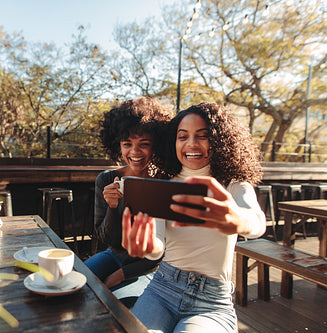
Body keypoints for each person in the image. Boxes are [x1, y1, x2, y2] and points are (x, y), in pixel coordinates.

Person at [121, 103, 266, 332]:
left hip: (211, 304)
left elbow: (257, 221)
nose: (191, 144)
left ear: (219, 142)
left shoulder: (234, 186)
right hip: (162, 289)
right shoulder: (164, 187)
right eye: (182, 136)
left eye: (203, 136)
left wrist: (238, 219)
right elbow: (157, 248)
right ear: (174, 142)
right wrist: (146, 246)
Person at [85, 96, 172, 307]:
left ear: (156, 146)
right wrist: (113, 207)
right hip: (113, 255)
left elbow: (164, 250)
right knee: (76, 282)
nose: (134, 152)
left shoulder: (164, 182)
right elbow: (106, 238)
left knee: (118, 304)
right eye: (127, 144)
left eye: (144, 144)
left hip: (150, 268)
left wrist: (120, 276)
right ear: (118, 146)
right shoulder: (106, 179)